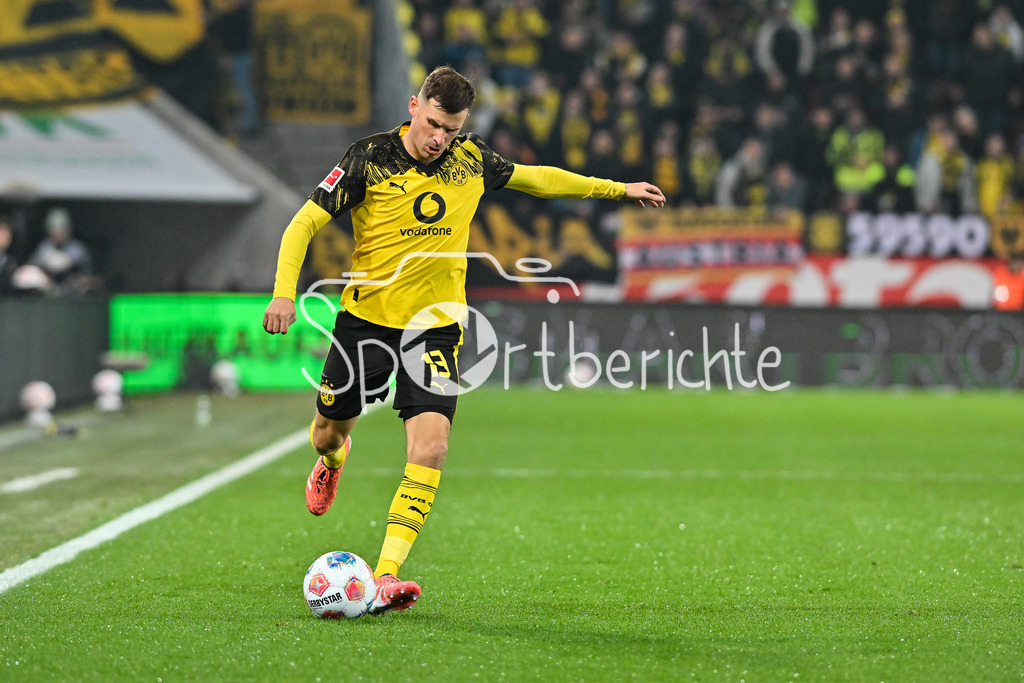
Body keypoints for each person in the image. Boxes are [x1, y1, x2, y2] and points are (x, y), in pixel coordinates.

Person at [262, 66, 664, 616]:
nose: (439, 140)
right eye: (432, 125)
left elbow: (537, 178)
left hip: (436, 326)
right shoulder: (368, 158)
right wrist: (285, 293)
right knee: (327, 433)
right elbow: (301, 225)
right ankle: (332, 462)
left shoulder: (470, 160)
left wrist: (615, 188)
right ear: (412, 106)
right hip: (366, 323)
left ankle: (384, 576)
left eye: (451, 130)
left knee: (432, 447)